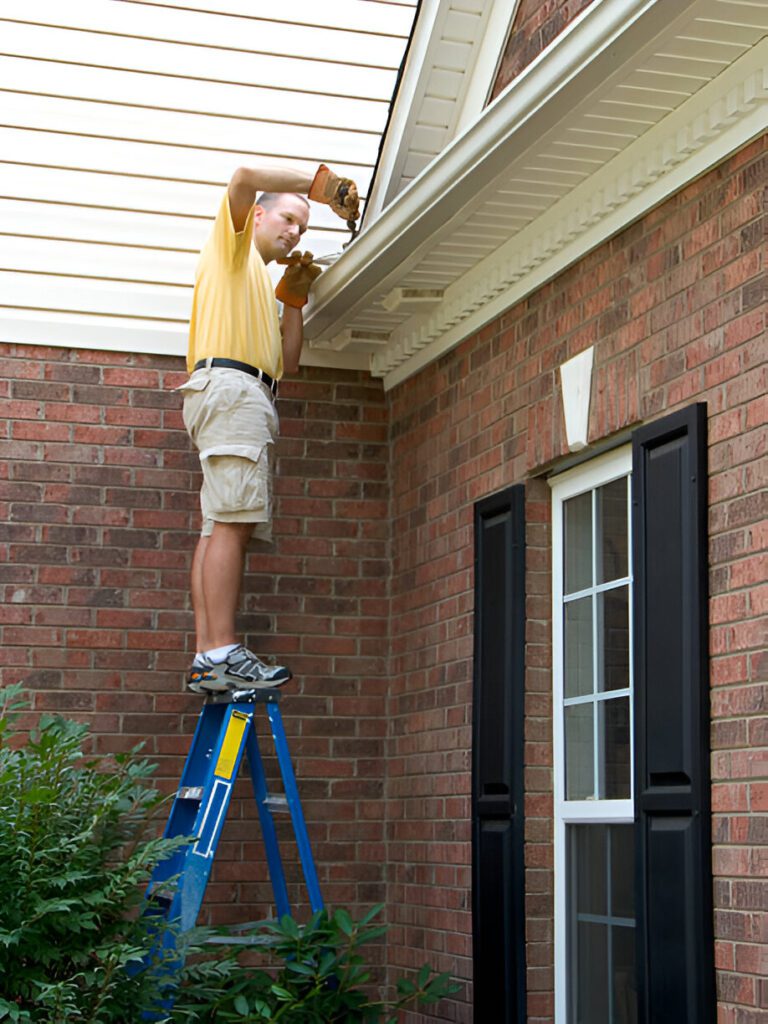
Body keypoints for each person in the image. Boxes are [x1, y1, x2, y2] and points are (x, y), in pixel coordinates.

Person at [178, 163, 359, 694]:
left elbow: (289, 362)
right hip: (232, 389)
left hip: (246, 391)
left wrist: (294, 299)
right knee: (232, 523)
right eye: (288, 218)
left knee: (219, 526)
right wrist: (323, 188)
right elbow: (239, 177)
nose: (295, 232)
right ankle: (221, 652)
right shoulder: (231, 249)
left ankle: (208, 654)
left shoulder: (258, 278)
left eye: (303, 227)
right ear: (257, 216)